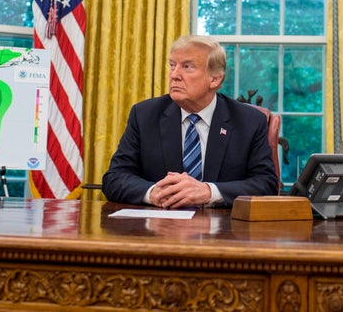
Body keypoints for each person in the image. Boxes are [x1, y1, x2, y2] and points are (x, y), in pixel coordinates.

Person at [102, 35, 279, 208]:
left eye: (187, 67)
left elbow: (266, 183)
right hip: (160, 229)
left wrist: (209, 192)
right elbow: (115, 178)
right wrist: (153, 193)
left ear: (215, 79)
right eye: (172, 65)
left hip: (223, 230)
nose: (174, 75)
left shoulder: (249, 121)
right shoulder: (145, 115)